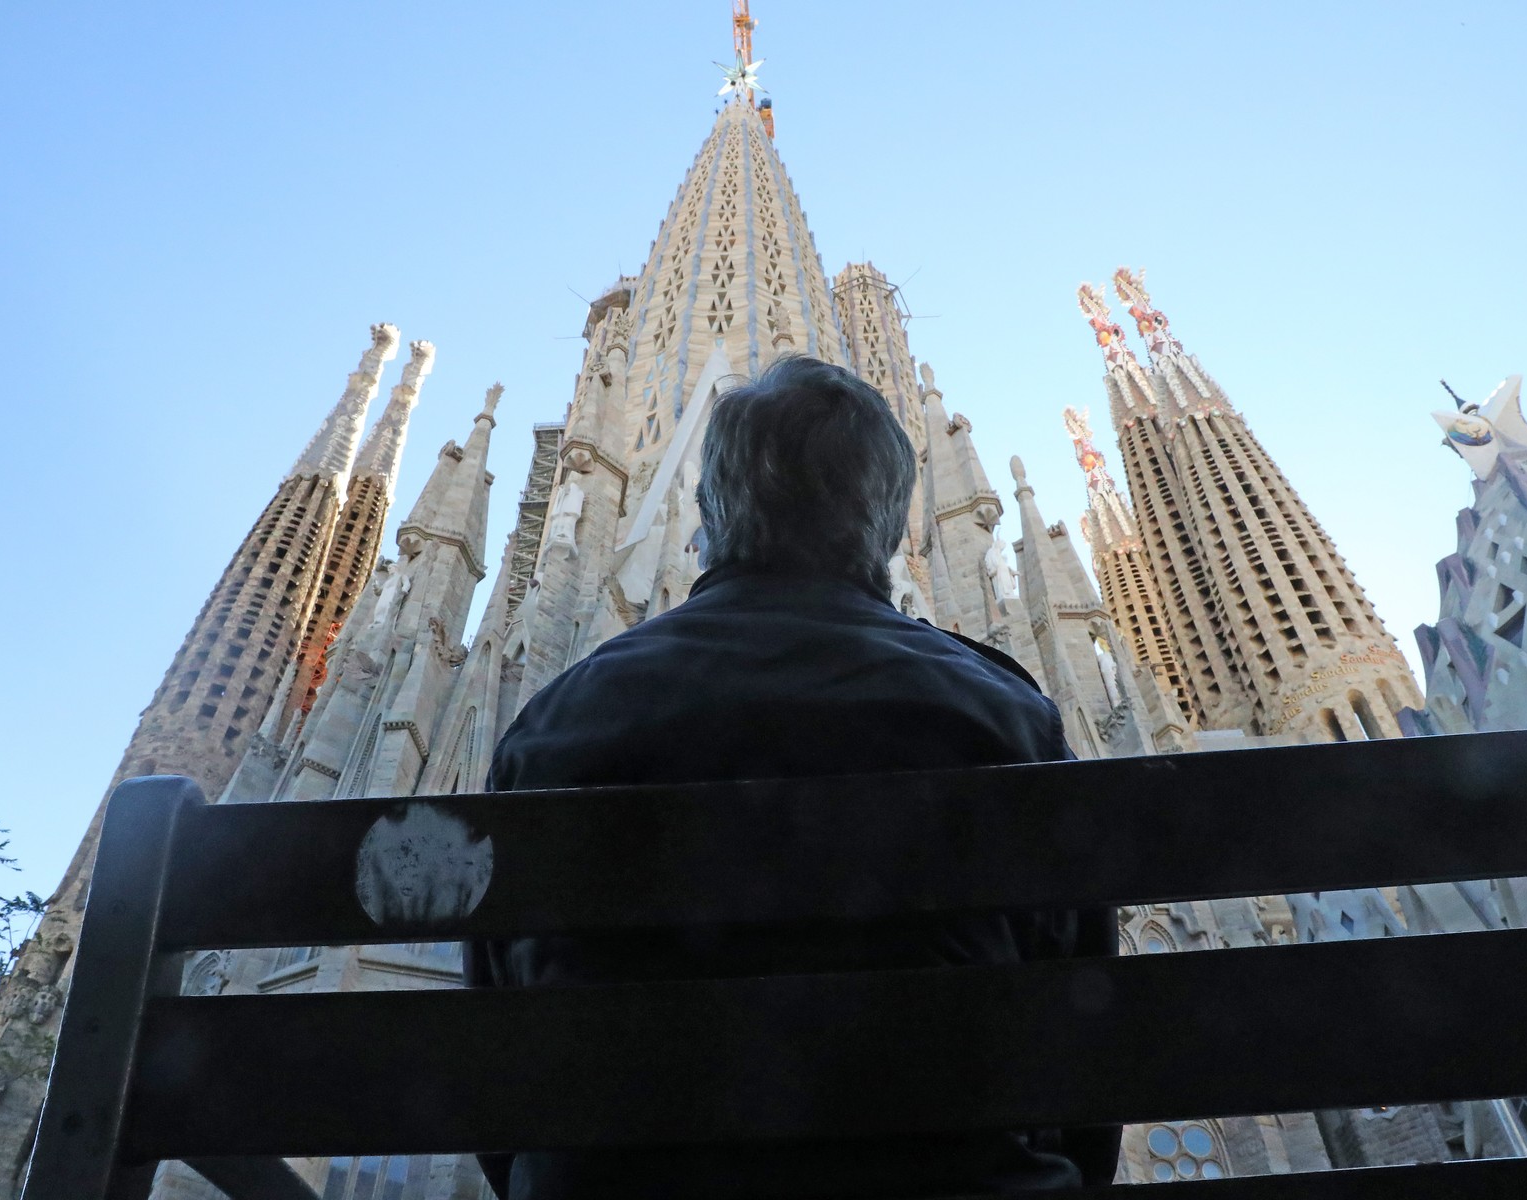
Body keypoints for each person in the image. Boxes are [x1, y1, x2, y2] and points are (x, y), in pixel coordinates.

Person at [465, 355, 1118, 1199]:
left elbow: (493, 1063)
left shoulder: (556, 726)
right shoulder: (1002, 717)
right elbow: (1089, 1059)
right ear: (887, 527)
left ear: (709, 512)